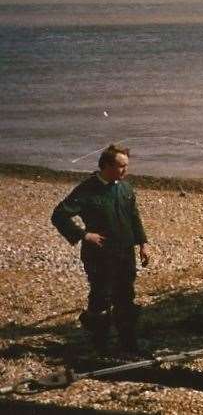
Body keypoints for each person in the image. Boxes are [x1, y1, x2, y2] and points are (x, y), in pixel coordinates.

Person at [51, 144, 151, 353]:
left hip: (125, 252)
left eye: (127, 166)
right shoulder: (87, 189)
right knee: (101, 297)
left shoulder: (125, 187)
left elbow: (134, 216)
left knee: (126, 296)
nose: (125, 171)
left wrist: (143, 243)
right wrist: (83, 235)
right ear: (105, 165)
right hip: (99, 255)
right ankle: (100, 345)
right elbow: (59, 215)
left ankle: (128, 343)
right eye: (121, 166)